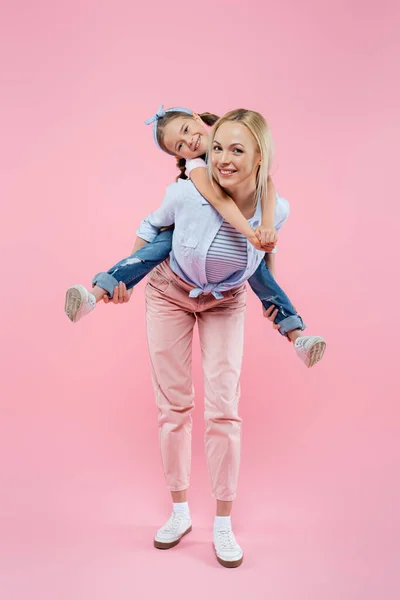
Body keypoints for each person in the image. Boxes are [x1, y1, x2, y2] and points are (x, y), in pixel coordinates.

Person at [131, 108, 320, 568]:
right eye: (217, 149)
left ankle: (222, 521)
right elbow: (150, 231)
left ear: (260, 158)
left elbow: (262, 264)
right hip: (169, 293)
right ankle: (179, 512)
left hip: (225, 300)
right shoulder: (188, 190)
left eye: (237, 150)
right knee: (173, 406)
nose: (223, 158)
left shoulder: (278, 207)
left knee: (223, 409)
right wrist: (121, 279)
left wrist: (277, 306)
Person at [65, 106, 326, 369]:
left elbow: (265, 179)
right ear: (179, 155)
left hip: (236, 263)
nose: (190, 141)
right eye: (180, 145)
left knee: (266, 280)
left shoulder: (229, 137)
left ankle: (298, 338)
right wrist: (253, 234)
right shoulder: (197, 167)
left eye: (187, 130)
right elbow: (220, 200)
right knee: (154, 251)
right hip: (185, 237)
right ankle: (94, 295)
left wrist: (266, 226)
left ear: (198, 120)